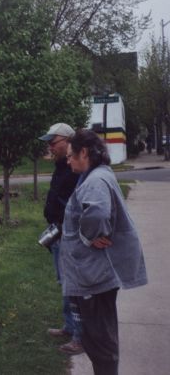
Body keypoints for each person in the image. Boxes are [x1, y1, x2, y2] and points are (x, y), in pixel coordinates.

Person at [61, 129, 147, 375]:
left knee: (100, 341)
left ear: (84, 153)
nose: (67, 161)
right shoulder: (97, 175)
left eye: (70, 156)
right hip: (94, 275)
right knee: (99, 338)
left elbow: (97, 213)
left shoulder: (95, 180)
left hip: (94, 277)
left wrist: (88, 236)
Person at [38, 122, 83, 355]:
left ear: (67, 141)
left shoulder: (75, 167)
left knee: (73, 285)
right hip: (58, 233)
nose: (50, 147)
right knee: (63, 283)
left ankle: (80, 337)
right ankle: (69, 326)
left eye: (53, 142)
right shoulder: (60, 166)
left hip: (70, 235)